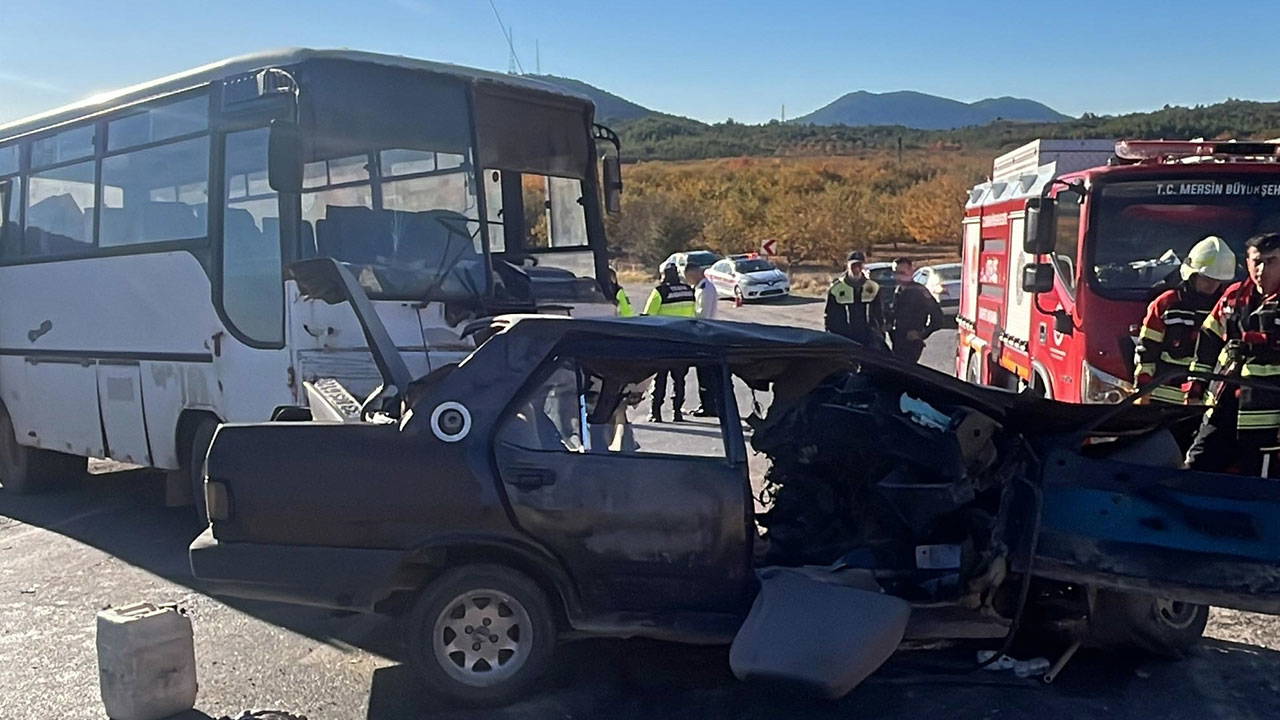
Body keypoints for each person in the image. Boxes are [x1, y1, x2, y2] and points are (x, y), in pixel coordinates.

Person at [1184, 232, 1280, 475]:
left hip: (1267, 420)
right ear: (1247, 262)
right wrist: (1196, 385)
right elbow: (1208, 339)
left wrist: (1258, 343)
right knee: (1194, 471)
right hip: (1222, 408)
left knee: (1258, 488)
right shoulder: (1233, 297)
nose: (1262, 269)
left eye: (1271, 261)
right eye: (1257, 261)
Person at [1133, 236, 1235, 404]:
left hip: (1203, 400)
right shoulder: (1166, 303)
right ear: (1192, 274)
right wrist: (1142, 389)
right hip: (1160, 398)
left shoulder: (1225, 309)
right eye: (1207, 279)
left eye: (1217, 280)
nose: (1212, 285)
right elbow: (1147, 350)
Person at [643, 264, 695, 422]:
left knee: (660, 379)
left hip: (663, 342)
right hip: (684, 341)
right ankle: (677, 412)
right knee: (679, 379)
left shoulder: (660, 291)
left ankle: (655, 412)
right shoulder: (688, 290)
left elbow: (648, 315)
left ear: (663, 275)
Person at [886, 257, 945, 363]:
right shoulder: (897, 291)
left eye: (902, 272)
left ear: (911, 272)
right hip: (898, 340)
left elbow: (938, 318)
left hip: (912, 343)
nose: (899, 276)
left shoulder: (919, 291)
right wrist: (889, 325)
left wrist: (922, 333)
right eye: (896, 273)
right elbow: (894, 313)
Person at [824, 251, 886, 348]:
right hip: (845, 339)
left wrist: (880, 334)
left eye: (859, 265)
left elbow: (879, 314)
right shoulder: (836, 289)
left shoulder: (873, 287)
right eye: (853, 265)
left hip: (869, 339)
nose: (856, 268)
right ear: (847, 265)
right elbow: (830, 316)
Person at [687, 263, 721, 417]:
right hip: (706, 332)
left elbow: (702, 314)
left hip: (704, 333)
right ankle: (707, 404)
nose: (688, 280)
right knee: (704, 374)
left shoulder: (704, 289)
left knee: (705, 373)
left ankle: (708, 406)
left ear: (695, 274)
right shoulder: (704, 287)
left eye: (689, 276)